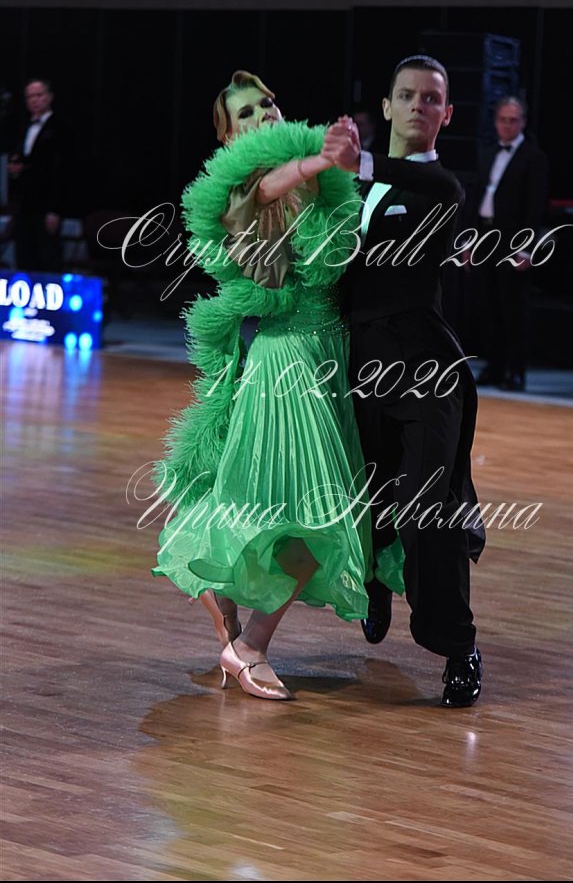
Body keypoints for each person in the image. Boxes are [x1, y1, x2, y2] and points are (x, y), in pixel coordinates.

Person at [151, 70, 387, 701]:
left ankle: (234, 629)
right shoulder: (241, 193)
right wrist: (320, 159)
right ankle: (248, 645)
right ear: (230, 137)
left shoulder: (317, 187)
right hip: (286, 365)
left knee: (294, 514)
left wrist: (334, 168)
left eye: (268, 104)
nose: (265, 116)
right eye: (247, 113)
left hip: (329, 357)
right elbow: (266, 186)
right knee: (315, 516)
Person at [322, 55, 486, 708]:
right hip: (359, 367)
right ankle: (374, 582)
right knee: (364, 499)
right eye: (407, 95)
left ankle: (458, 646)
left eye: (432, 98)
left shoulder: (440, 188)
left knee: (428, 510)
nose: (419, 105)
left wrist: (356, 161)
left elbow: (434, 187)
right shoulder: (351, 189)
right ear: (387, 106)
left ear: (447, 114)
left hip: (425, 372)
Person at [471, 96, 549, 391]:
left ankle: (515, 370)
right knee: (488, 305)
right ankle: (494, 365)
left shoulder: (533, 157)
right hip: (486, 236)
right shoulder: (488, 153)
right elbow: (478, 199)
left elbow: (535, 207)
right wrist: (470, 242)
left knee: (512, 308)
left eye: (513, 120)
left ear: (523, 123)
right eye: (503, 120)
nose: (507, 125)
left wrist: (526, 248)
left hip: (513, 241)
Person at [8, 79, 64, 272]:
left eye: (39, 95)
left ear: (49, 97)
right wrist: (15, 171)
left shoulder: (59, 128)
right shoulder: (24, 128)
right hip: (25, 205)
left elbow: (61, 171)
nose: (34, 100)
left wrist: (55, 209)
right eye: (30, 96)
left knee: (47, 258)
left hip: (45, 205)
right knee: (24, 256)